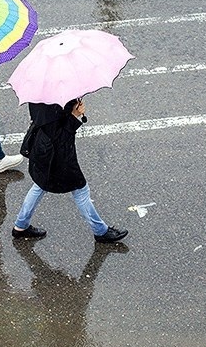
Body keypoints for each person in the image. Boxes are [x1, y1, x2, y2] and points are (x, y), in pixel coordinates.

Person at [12, 98, 128, 243]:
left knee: (40, 185)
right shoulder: (56, 100)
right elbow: (59, 136)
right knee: (80, 189)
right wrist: (74, 115)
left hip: (42, 148)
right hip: (57, 155)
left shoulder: (39, 93)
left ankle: (21, 225)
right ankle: (101, 231)